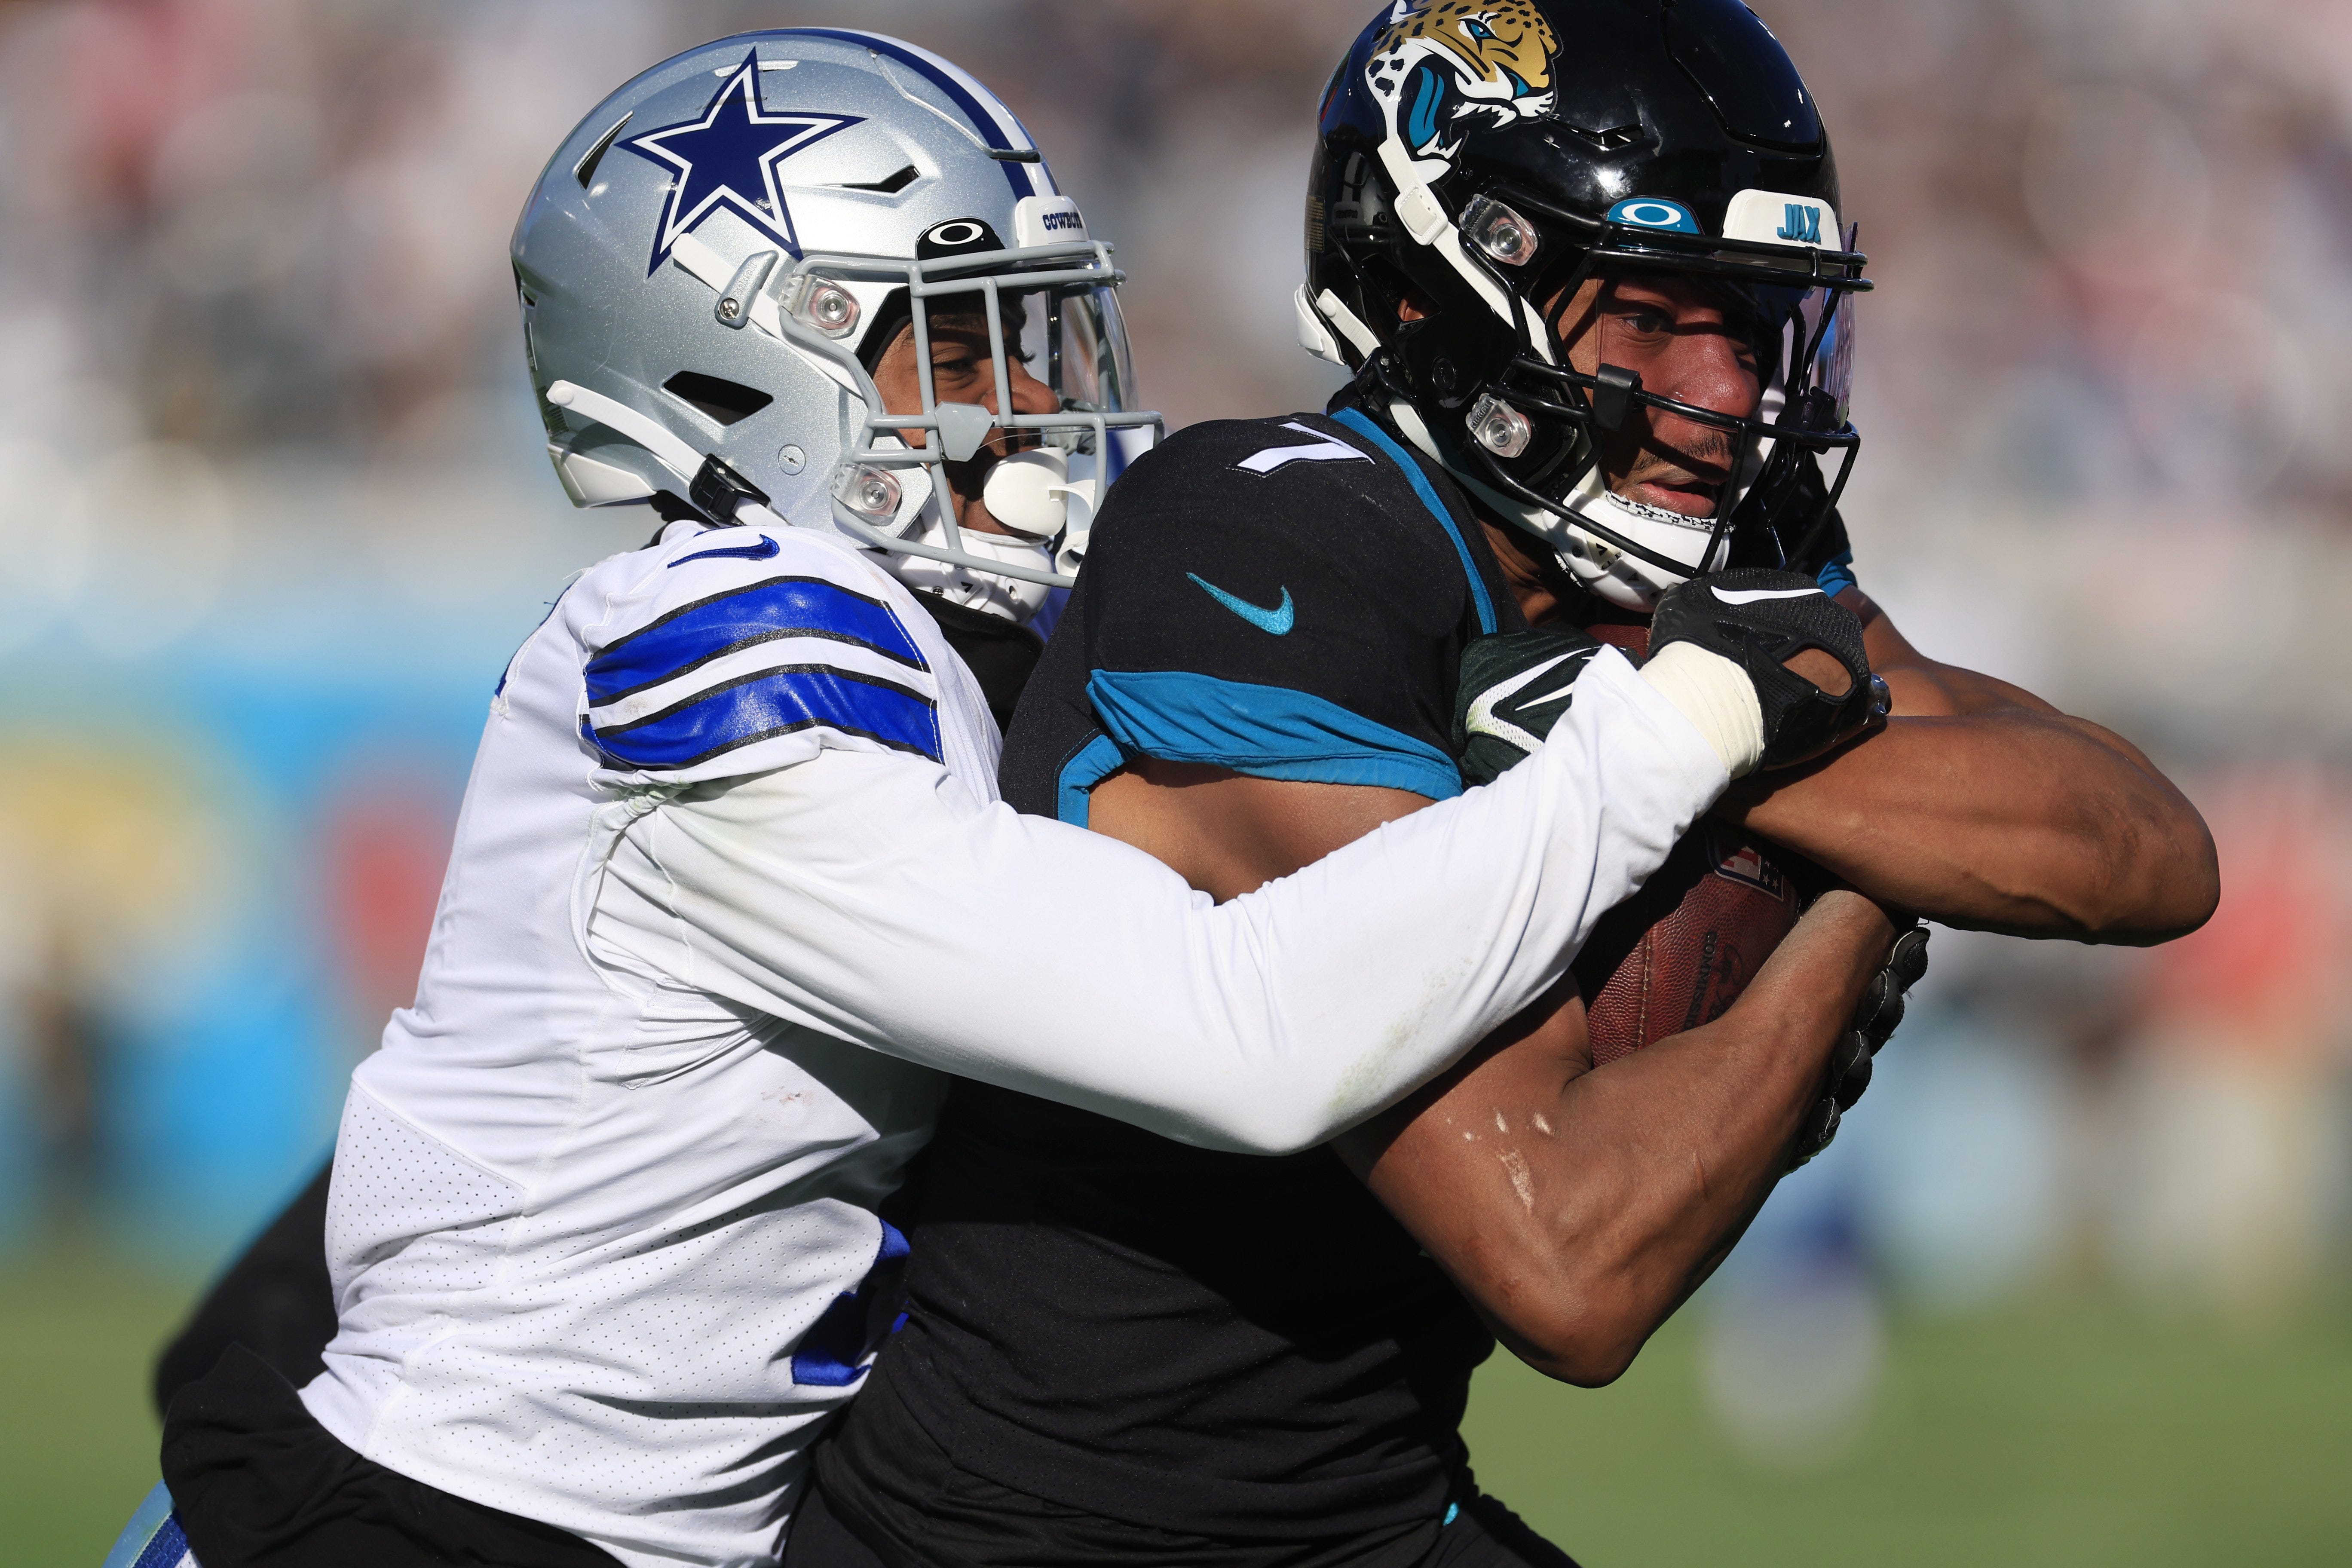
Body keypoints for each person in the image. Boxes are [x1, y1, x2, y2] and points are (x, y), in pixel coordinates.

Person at [109, 28, 1870, 1568]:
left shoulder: (944, 651)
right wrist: (1684, 727)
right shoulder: (726, 643)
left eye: (1041, 338)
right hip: (417, 1521)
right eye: (958, 353)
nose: (1038, 408)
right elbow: (1239, 1031)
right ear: (737, 374)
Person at [792, 4, 2217, 1566]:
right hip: (1022, 1530)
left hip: (1371, 1510)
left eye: (1753, 322)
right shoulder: (1259, 539)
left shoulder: (1684, 564)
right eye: (1661, 314)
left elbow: (2144, 846)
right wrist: (1847, 896)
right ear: (1453, 280)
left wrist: (1682, 748)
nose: (1728, 391)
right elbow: (1567, 1251)